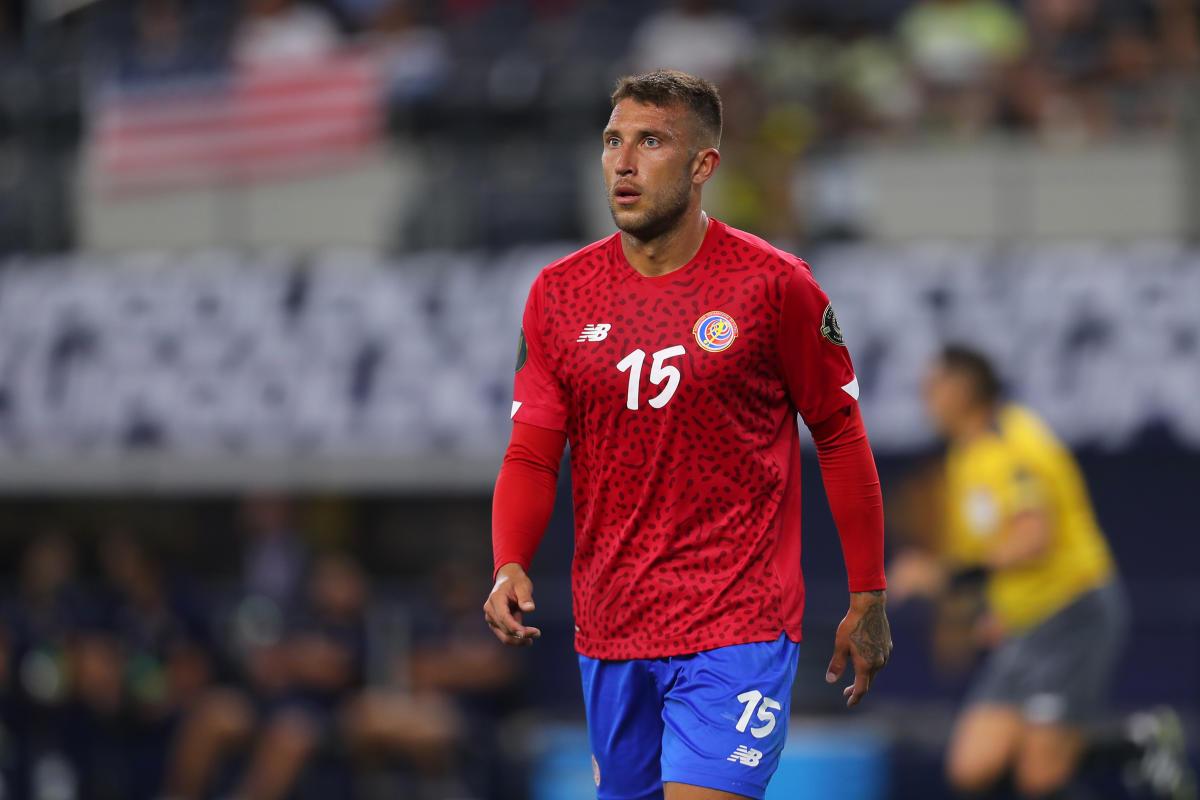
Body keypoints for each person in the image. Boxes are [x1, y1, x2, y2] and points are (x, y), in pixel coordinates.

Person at [483, 69, 892, 800]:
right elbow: (532, 450)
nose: (624, 161)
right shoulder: (559, 293)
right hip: (612, 627)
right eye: (613, 140)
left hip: (739, 620)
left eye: (650, 141)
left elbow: (839, 436)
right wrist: (509, 560)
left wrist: (868, 593)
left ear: (704, 165)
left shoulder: (774, 286)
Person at [889, 344, 1194, 799]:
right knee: (971, 766)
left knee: (1041, 779)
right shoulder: (965, 456)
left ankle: (1135, 748)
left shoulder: (1014, 441)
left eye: (933, 387)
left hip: (1072, 613)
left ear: (963, 389)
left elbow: (1033, 537)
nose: (924, 397)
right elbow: (993, 550)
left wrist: (942, 576)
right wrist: (994, 612)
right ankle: (1133, 745)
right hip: (1024, 625)